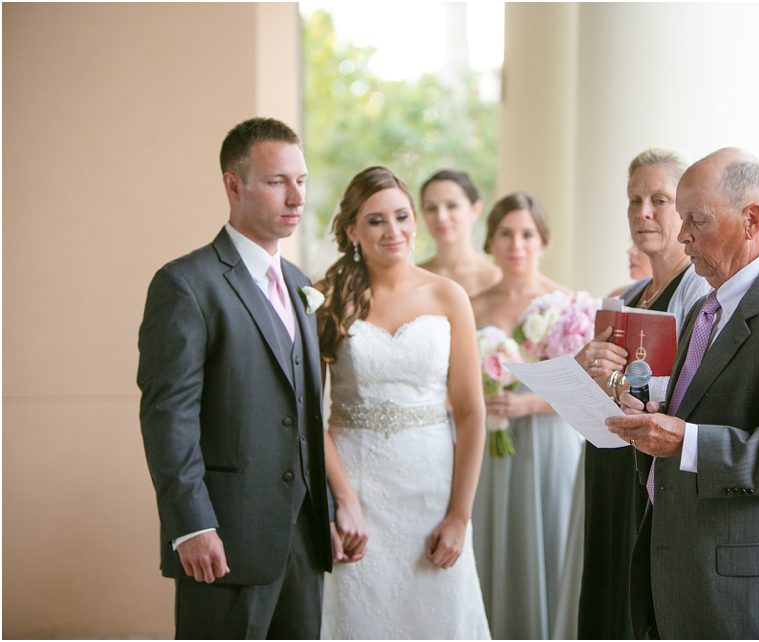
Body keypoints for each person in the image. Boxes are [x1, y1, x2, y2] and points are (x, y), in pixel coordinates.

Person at [605, 147, 759, 639]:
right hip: (692, 573)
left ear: (752, 220)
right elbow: (705, 411)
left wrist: (686, 441)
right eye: (683, 219)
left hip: (754, 597)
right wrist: (656, 415)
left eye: (696, 219)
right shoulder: (707, 309)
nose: (682, 235)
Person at [137, 117, 332, 638]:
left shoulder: (297, 283)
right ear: (233, 184)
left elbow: (305, 412)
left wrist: (326, 514)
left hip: (303, 541)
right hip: (223, 539)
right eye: (276, 182)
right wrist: (191, 525)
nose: (296, 197)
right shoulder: (185, 284)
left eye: (302, 180)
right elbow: (167, 415)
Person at [315, 166, 490, 639]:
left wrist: (459, 516)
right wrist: (343, 501)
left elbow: (473, 415)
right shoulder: (328, 299)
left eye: (401, 216)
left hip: (432, 494)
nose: (393, 231)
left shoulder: (448, 296)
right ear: (351, 229)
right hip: (357, 493)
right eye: (375, 221)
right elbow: (310, 414)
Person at [573, 148, 709, 639]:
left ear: (686, 209)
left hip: (652, 469)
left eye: (659, 199)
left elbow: (690, 389)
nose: (643, 213)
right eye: (634, 200)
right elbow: (608, 387)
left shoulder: (698, 292)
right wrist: (591, 371)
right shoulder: (626, 296)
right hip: (608, 463)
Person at [470, 192, 583, 640]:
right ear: (491, 241)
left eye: (527, 234)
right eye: (506, 234)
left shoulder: (567, 304)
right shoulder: (471, 305)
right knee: (493, 542)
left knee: (548, 541)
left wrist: (528, 403)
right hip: (490, 445)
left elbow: (587, 386)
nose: (517, 244)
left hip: (547, 439)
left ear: (543, 240)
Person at [418, 169, 502, 296]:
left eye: (452, 206)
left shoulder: (495, 279)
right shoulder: (416, 276)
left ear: (475, 210)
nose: (441, 217)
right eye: (431, 208)